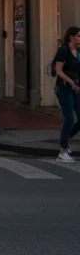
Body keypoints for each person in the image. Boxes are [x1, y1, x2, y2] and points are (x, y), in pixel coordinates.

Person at [54, 26, 80, 162]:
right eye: (78, 36)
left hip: (75, 88)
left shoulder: (79, 52)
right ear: (71, 37)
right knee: (69, 118)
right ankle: (62, 151)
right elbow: (58, 71)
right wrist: (71, 83)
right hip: (64, 88)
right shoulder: (63, 51)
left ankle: (66, 139)